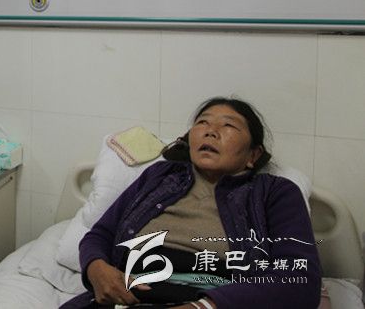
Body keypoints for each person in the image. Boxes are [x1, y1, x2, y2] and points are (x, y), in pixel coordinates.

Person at [61, 97, 321, 309]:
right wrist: (96, 268)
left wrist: (204, 306)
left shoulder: (274, 193)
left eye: (228, 126)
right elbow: (100, 234)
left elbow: (300, 280)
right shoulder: (159, 176)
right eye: (202, 122)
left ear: (253, 155)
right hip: (129, 297)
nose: (210, 131)